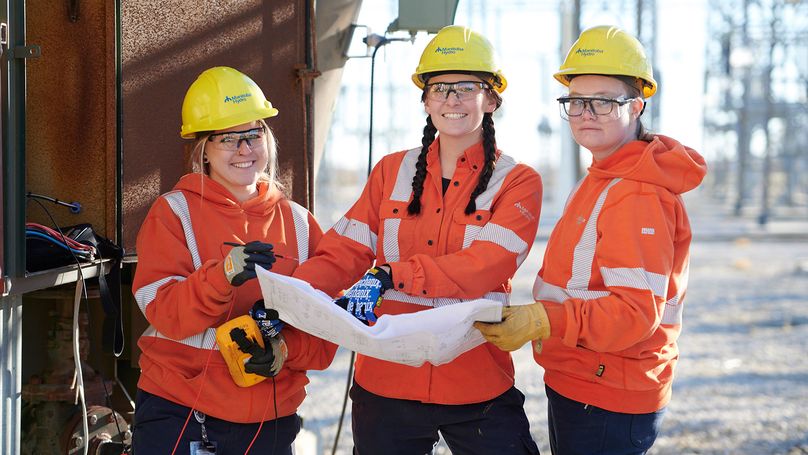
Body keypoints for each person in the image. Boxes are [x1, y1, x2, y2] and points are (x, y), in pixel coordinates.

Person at [292, 25, 543, 454]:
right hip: (387, 377)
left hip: (475, 378)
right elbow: (344, 250)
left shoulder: (517, 182)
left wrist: (391, 275)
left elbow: (487, 265)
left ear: (492, 99)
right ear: (425, 100)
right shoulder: (392, 171)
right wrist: (290, 296)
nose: (452, 100)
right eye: (440, 88)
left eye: (467, 87)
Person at [475, 25, 708, 454]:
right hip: (585, 376)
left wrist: (545, 320)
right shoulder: (604, 177)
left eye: (603, 102)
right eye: (576, 101)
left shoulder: (637, 192)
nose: (586, 113)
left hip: (609, 390)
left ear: (636, 106)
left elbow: (634, 313)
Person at [131, 66, 335, 454]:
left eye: (253, 134)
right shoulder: (174, 213)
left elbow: (327, 325)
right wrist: (221, 277)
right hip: (182, 411)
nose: (244, 149)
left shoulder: (299, 222)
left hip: (268, 419)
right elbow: (163, 312)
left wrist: (285, 350)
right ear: (203, 149)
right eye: (228, 138)